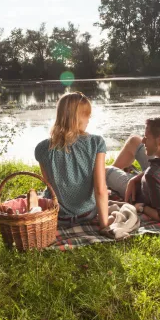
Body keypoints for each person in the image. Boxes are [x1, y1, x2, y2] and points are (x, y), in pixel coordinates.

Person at [35, 92, 112, 229]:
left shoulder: (41, 148)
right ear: (78, 118)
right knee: (106, 192)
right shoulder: (96, 143)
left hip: (58, 218)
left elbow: (50, 187)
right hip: (87, 214)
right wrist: (104, 226)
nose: (88, 120)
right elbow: (100, 189)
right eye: (87, 115)